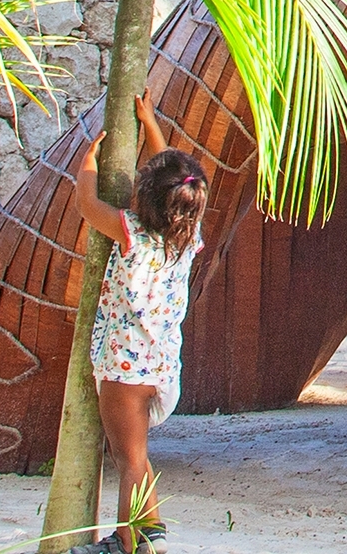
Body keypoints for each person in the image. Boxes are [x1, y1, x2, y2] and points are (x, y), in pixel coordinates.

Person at [73, 95, 207, 551]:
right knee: (137, 455)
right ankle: (151, 532)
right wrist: (150, 124)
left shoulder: (131, 232)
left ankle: (125, 544)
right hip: (160, 367)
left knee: (128, 460)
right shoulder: (187, 239)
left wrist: (87, 164)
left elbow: (88, 205)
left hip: (124, 367)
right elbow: (171, 174)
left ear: (145, 198)